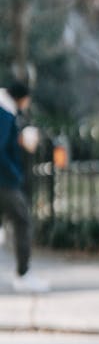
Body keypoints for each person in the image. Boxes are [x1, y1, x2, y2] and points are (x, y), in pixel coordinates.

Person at [0, 77, 49, 293]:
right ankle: (23, 274)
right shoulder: (5, 112)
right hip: (4, 181)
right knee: (23, 221)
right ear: (21, 98)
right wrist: (15, 174)